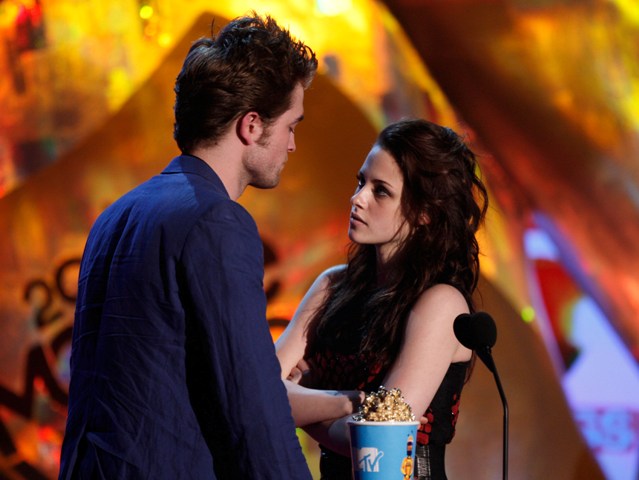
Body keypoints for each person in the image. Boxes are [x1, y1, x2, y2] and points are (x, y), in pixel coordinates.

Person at [59, 13, 317, 479]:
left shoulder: (114, 216)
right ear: (252, 125)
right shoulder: (217, 221)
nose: (293, 145)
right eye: (291, 126)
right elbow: (253, 415)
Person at [276, 118, 489, 479]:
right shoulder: (331, 286)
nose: (357, 199)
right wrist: (349, 402)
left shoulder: (441, 303)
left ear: (424, 212)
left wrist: (304, 398)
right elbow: (255, 390)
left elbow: (378, 445)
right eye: (361, 182)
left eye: (381, 191)